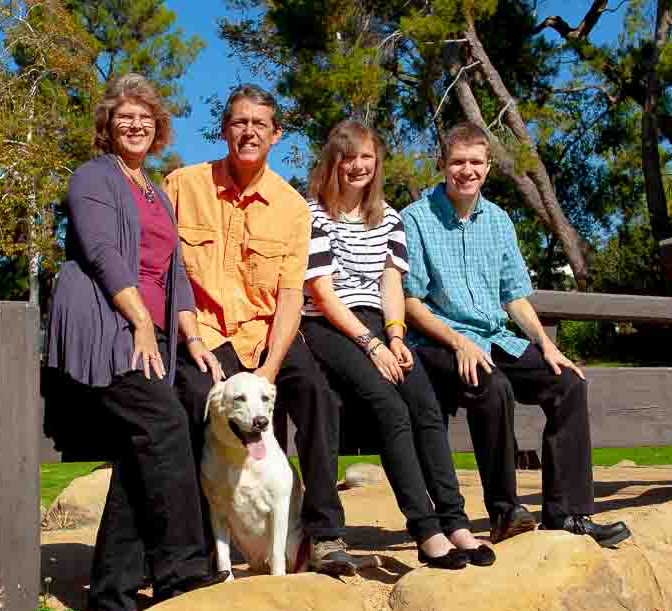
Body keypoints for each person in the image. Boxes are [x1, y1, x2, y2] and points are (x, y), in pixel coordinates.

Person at [43, 73, 226, 611]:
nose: (136, 123)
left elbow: (177, 276)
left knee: (138, 449)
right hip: (106, 326)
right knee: (166, 423)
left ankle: (111, 597)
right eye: (125, 115)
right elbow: (100, 252)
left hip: (153, 332)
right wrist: (142, 323)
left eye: (146, 116)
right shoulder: (92, 178)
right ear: (108, 124)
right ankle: (183, 573)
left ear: (159, 126)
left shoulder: (154, 191)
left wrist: (192, 338)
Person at [401, 121, 631, 548]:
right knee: (493, 387)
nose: (466, 170)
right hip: (439, 342)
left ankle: (568, 514)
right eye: (457, 162)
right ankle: (505, 511)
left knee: (567, 383)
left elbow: (514, 297)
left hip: (493, 336)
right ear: (442, 165)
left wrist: (546, 345)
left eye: (475, 162)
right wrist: (458, 341)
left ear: (487, 167)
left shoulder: (500, 220)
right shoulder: (415, 219)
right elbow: (410, 303)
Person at [164, 85, 360, 575]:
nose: (248, 131)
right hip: (207, 334)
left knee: (316, 393)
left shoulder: (293, 208)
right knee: (190, 400)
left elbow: (293, 294)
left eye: (259, 124)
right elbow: (165, 272)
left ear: (276, 135)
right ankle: (195, 548)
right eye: (239, 122)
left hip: (267, 335)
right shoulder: (183, 186)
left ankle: (325, 535)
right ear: (225, 129)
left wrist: (271, 369)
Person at [300, 120, 495, 569]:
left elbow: (391, 282)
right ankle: (426, 532)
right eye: (349, 157)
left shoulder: (387, 216)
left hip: (379, 324)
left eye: (366, 156)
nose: (358, 165)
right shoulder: (312, 214)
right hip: (330, 325)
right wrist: (371, 345)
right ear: (333, 161)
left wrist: (395, 334)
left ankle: (455, 522)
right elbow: (323, 294)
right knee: (390, 408)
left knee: (426, 407)